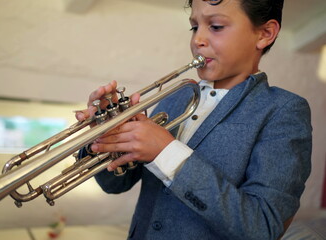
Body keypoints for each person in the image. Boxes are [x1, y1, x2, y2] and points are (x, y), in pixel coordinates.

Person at [75, 0, 312, 239]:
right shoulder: (175, 98)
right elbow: (114, 184)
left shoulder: (283, 109)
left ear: (264, 34)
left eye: (216, 26)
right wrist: (106, 136)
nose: (198, 39)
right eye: (194, 27)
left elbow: (262, 227)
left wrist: (166, 152)